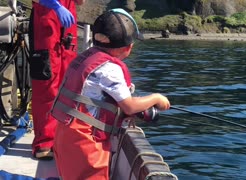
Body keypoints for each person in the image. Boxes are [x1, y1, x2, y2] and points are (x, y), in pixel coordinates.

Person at [50, 8, 171, 179]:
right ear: (129, 47)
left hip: (65, 135)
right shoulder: (110, 69)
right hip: (85, 144)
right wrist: (156, 98)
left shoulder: (85, 57)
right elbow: (129, 106)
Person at [28, 0, 85, 160]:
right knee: (47, 84)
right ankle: (44, 141)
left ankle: (62, 138)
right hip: (45, 21)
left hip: (67, 23)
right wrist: (56, 6)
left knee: (68, 81)